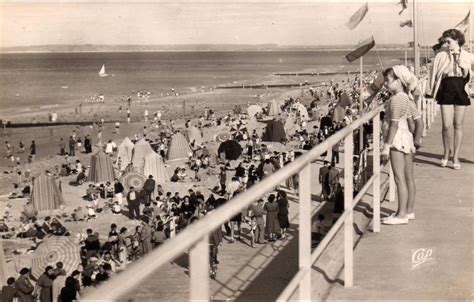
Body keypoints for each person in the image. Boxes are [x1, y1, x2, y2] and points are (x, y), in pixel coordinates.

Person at [382, 65, 423, 225]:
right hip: (407, 138)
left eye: (388, 80)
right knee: (408, 178)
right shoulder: (407, 98)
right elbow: (418, 122)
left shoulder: (396, 99)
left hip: (397, 140)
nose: (385, 84)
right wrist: (417, 140)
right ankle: (408, 210)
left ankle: (401, 215)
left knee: (399, 179)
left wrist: (387, 145)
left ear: (398, 81)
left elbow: (394, 124)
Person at [426, 29, 472, 170]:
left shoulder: (468, 56)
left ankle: (455, 156)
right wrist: (443, 73)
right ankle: (446, 153)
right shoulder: (441, 56)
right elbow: (432, 73)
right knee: (446, 125)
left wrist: (467, 71)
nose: (445, 44)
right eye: (444, 41)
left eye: (448, 41)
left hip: (461, 88)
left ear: (457, 40)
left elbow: (471, 73)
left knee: (458, 125)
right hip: (446, 89)